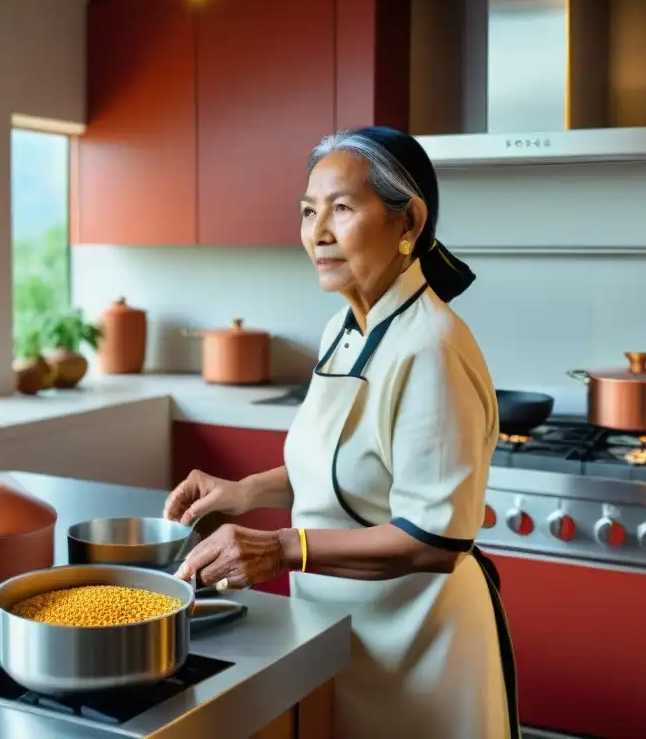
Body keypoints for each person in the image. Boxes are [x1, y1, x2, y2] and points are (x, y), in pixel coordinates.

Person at [164, 126, 519, 739]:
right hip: (340, 635)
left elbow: (435, 540)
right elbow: (348, 465)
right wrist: (245, 491)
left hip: (419, 646)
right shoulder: (342, 328)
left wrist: (281, 548)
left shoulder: (431, 348)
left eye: (343, 208)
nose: (317, 231)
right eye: (308, 210)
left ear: (408, 223)